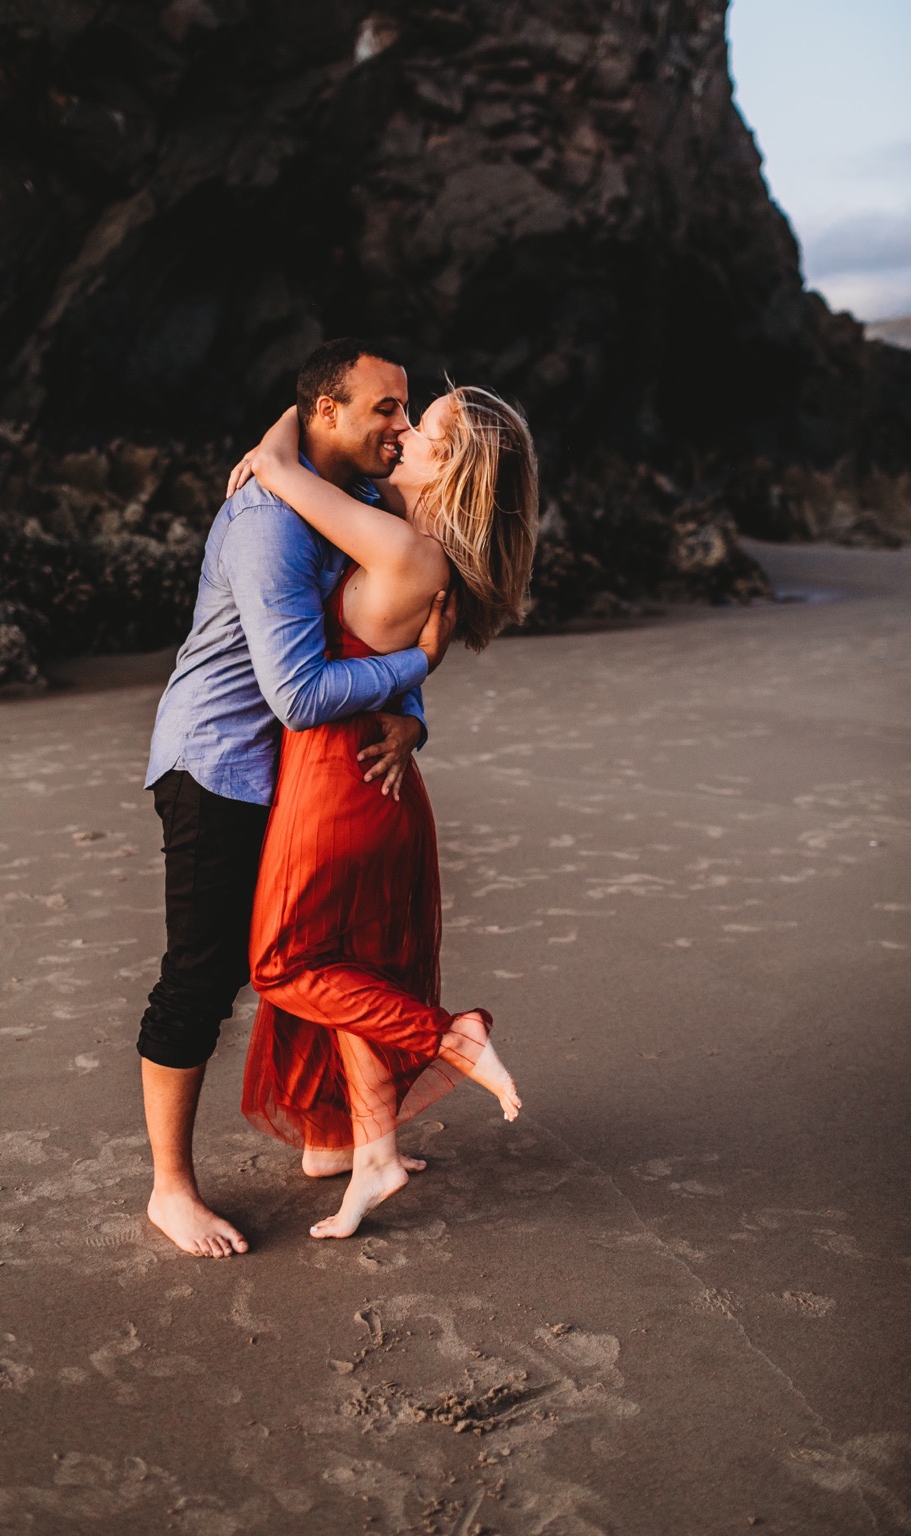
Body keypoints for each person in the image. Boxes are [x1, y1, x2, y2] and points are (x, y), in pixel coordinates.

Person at [139, 339, 456, 1259]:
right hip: (217, 763)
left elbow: (373, 615)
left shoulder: (349, 500)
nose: (399, 428)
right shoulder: (268, 520)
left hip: (288, 770)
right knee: (202, 978)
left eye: (406, 411)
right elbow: (301, 693)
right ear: (326, 412)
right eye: (384, 410)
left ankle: (330, 1137)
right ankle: (170, 1191)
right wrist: (420, 666)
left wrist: (414, 713)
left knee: (308, 950)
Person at [228, 382, 539, 1239]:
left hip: (335, 785)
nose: (400, 433)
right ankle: (365, 1151)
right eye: (399, 416)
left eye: (422, 428)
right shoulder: (425, 550)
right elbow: (398, 657)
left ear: (452, 466)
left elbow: (283, 460)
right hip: (372, 779)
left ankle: (455, 1035)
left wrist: (296, 423)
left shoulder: (404, 547)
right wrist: (414, 704)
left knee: (284, 964)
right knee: (348, 965)